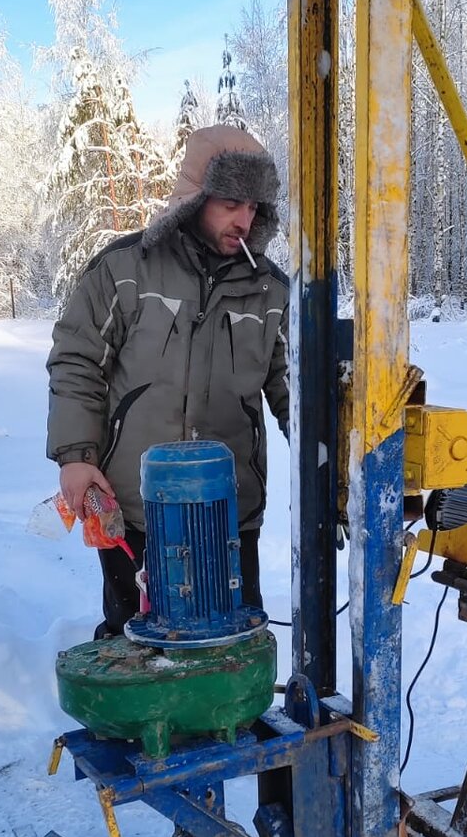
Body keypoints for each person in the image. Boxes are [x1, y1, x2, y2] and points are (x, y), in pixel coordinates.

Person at [46, 125, 289, 637]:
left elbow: (295, 388)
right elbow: (77, 360)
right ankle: (130, 721)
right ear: (195, 197)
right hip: (135, 507)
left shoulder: (271, 290)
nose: (244, 221)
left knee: (229, 642)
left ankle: (222, 720)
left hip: (229, 512)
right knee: (135, 638)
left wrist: (339, 471)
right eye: (230, 203)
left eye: (255, 207)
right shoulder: (124, 270)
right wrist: (75, 456)